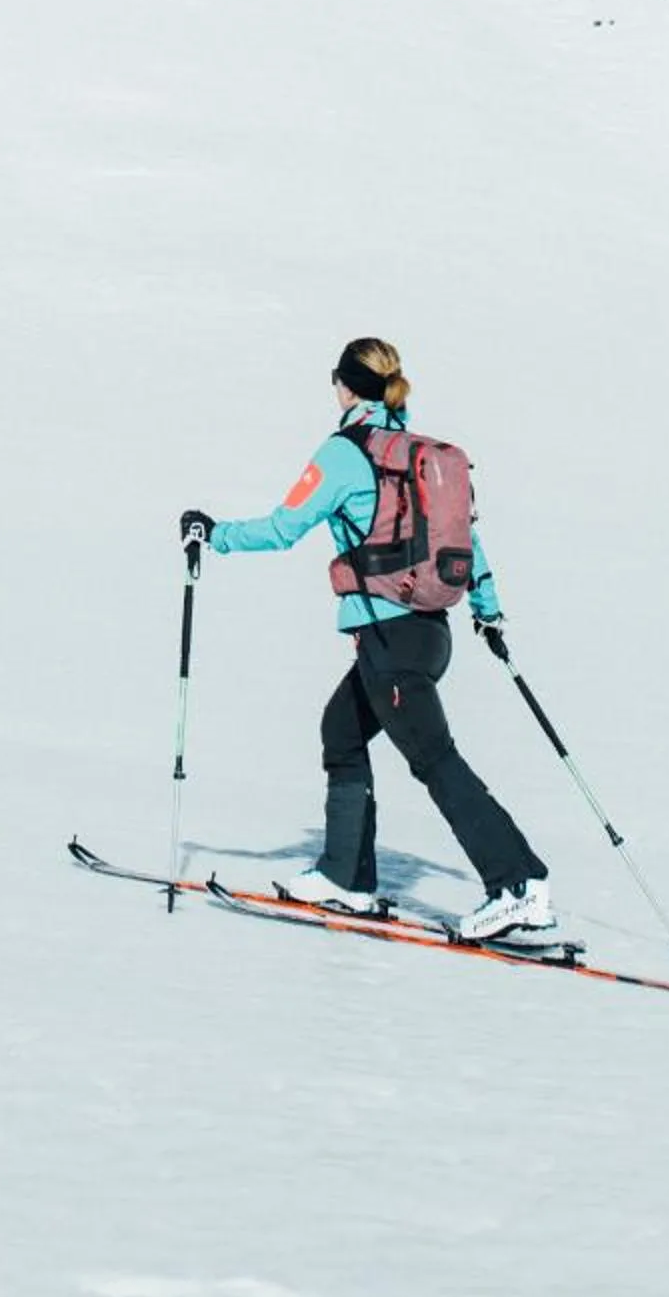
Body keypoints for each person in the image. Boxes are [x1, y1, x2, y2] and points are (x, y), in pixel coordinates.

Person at [182, 336, 553, 945]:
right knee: (342, 730)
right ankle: (346, 877)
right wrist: (488, 611)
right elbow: (468, 542)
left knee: (435, 760)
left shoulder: (347, 453)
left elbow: (284, 528)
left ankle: (519, 887)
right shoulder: (418, 456)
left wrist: (212, 533)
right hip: (428, 635)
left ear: (346, 386)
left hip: (388, 638)